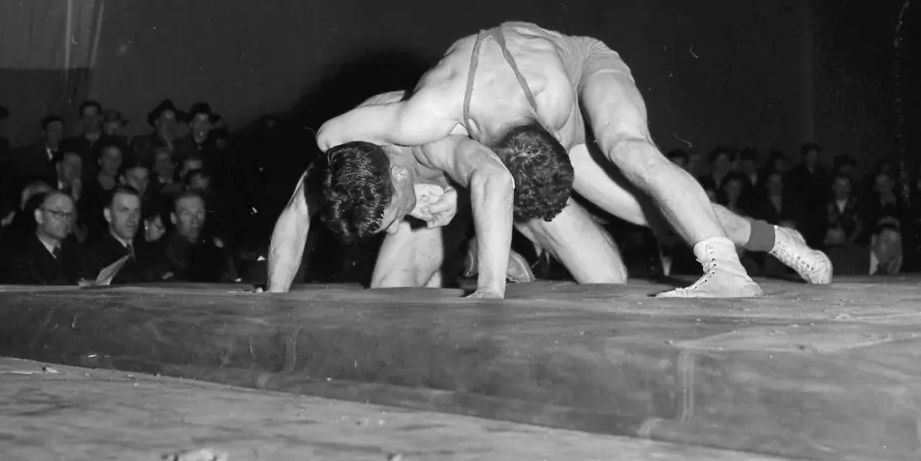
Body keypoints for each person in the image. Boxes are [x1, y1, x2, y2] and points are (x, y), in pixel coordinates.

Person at [305, 64, 830, 299]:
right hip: (476, 184)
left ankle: (773, 238)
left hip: (525, 164)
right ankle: (480, 255)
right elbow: (322, 147)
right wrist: (418, 204)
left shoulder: (418, 120)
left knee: (633, 237)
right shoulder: (370, 156)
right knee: (387, 300)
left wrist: (489, 291)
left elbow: (493, 175)